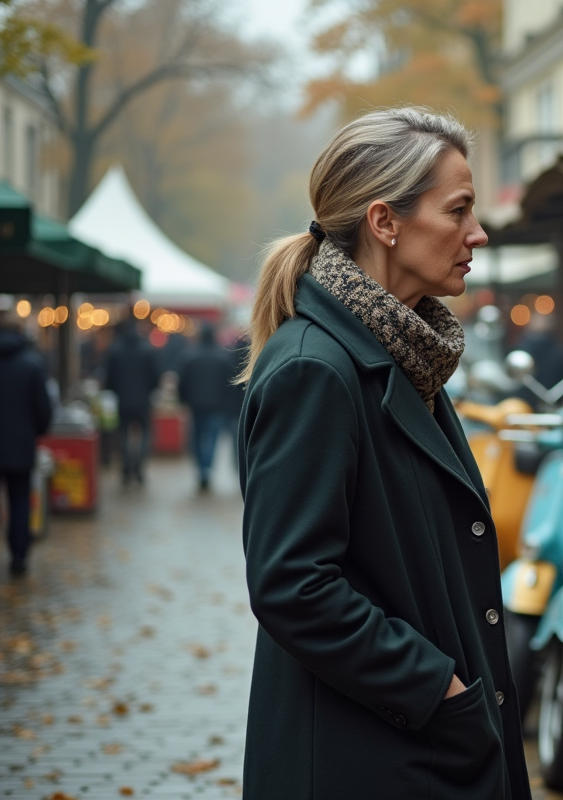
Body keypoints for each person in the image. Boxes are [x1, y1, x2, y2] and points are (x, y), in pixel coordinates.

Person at [237, 107, 529, 800]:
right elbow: (292, 585)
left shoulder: (405, 355)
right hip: (368, 759)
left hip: (415, 752)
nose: (477, 234)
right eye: (458, 211)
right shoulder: (317, 369)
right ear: (385, 222)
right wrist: (443, 693)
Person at [0, 313, 52, 576]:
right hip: (21, 445)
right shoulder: (32, 365)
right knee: (20, 500)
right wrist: (36, 431)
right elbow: (44, 410)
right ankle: (18, 556)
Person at [179, 323, 236, 491]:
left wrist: (183, 400)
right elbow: (230, 383)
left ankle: (201, 470)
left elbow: (182, 382)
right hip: (216, 405)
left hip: (195, 405)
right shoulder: (222, 356)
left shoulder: (189, 355)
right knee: (212, 438)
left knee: (196, 437)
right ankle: (207, 470)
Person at [105, 317, 162, 485]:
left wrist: (116, 391)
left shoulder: (115, 349)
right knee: (144, 435)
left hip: (122, 401)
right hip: (143, 400)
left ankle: (126, 468)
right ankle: (139, 467)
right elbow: (155, 376)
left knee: (123, 435)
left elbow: (109, 378)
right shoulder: (147, 349)